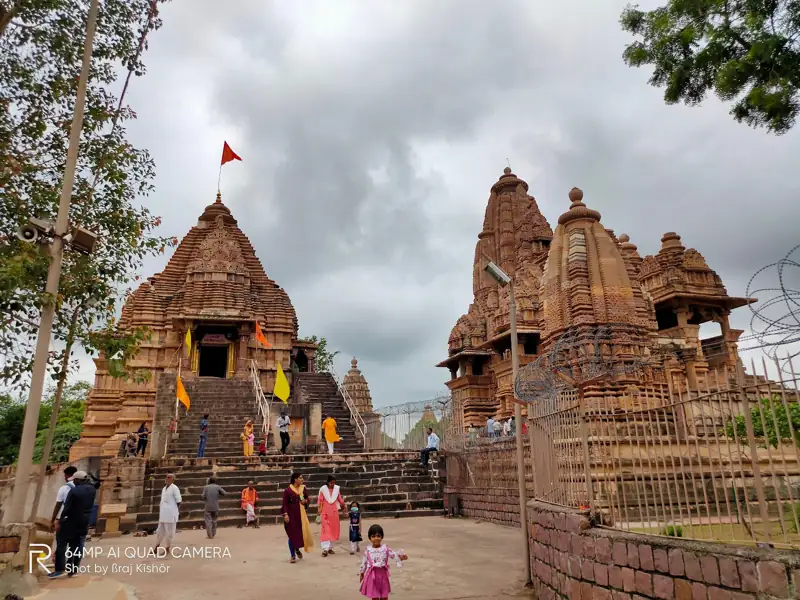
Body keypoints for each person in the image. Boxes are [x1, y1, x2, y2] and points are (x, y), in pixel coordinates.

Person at [50, 471, 96, 579]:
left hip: (70, 522)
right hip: (84, 522)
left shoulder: (73, 491)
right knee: (76, 546)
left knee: (62, 545)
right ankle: (73, 570)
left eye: (75, 480)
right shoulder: (92, 490)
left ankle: (60, 569)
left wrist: (59, 521)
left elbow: (66, 509)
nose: (74, 482)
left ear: (77, 480)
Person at [359, 524, 408, 599]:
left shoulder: (385, 549)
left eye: (378, 536)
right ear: (370, 538)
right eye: (373, 536)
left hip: (383, 575)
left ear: (382, 537)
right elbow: (364, 563)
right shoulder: (368, 551)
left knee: (384, 596)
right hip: (372, 576)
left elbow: (393, 555)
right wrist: (362, 573)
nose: (376, 538)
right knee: (374, 596)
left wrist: (401, 557)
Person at [281, 472, 314, 563]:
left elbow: (307, 498)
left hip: (301, 515)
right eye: (300, 478)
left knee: (300, 534)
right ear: (295, 479)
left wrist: (305, 501)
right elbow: (284, 504)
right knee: (292, 535)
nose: (302, 479)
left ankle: (297, 549)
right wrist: (285, 514)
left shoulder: (303, 488)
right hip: (291, 515)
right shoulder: (288, 491)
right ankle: (292, 555)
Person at [317, 475, 346, 557]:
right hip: (325, 512)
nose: (332, 484)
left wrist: (343, 505)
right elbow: (320, 500)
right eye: (331, 482)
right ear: (328, 482)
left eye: (334, 482)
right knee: (325, 530)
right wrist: (319, 509)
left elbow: (339, 499)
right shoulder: (323, 489)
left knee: (333, 529)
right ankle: (325, 549)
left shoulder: (336, 489)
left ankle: (330, 547)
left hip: (334, 512)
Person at [153, 473, 182, 554]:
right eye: (166, 477)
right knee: (159, 531)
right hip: (163, 514)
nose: (167, 479)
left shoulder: (174, 488)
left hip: (170, 514)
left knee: (169, 533)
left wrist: (174, 511)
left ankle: (167, 547)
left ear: (172, 479)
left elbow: (178, 501)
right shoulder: (164, 488)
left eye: (169, 477)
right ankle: (156, 547)